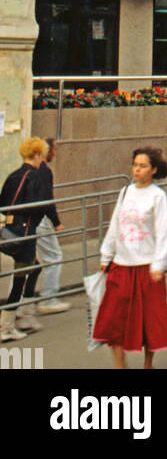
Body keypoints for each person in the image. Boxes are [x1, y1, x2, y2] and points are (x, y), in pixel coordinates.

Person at [94, 146, 167, 368]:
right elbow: (115, 225)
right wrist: (106, 256)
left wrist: (159, 264)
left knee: (150, 321)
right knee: (113, 320)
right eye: (135, 165)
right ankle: (121, 366)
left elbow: (163, 232)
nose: (137, 170)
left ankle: (148, 364)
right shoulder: (125, 192)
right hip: (121, 264)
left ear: (153, 170)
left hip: (146, 267)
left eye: (143, 166)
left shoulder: (158, 197)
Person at [0, 137, 49, 342]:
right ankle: (6, 326)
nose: (43, 159)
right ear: (37, 154)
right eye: (42, 155)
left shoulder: (14, 175)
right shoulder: (35, 177)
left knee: (35, 267)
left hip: (10, 228)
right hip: (26, 230)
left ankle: (25, 312)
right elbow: (37, 204)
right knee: (20, 278)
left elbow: (2, 200)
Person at [34, 137, 68, 314]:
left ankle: (16, 303)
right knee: (54, 258)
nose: (55, 152)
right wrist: (56, 222)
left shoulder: (30, 170)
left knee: (28, 263)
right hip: (41, 220)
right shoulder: (44, 171)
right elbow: (47, 199)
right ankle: (48, 299)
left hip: (28, 220)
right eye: (53, 149)